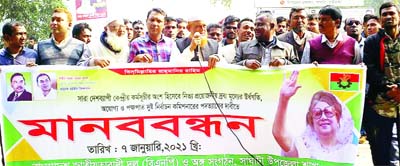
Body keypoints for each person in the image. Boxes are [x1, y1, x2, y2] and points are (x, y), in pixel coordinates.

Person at [272, 70, 357, 163]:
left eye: (328, 112)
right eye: (317, 113)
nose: (323, 117)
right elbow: (279, 135)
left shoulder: (349, 148)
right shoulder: (302, 147)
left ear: (338, 117)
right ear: (311, 121)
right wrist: (284, 99)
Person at [363, 2, 400, 165]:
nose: (388, 17)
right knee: (380, 151)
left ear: (399, 17)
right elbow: (370, 69)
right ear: (380, 19)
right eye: (384, 14)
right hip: (380, 105)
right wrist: (388, 88)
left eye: (392, 13)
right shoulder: (371, 42)